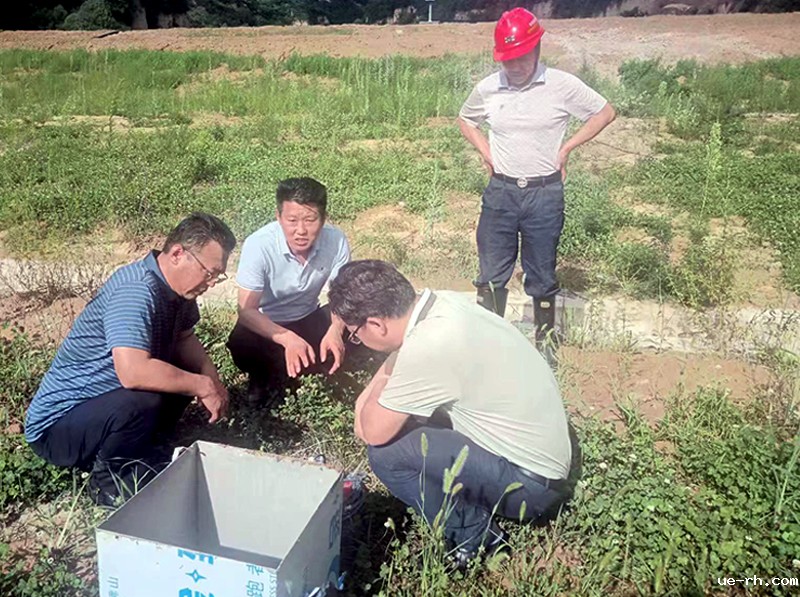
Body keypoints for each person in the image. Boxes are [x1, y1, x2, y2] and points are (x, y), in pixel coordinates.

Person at [328, 260, 574, 567]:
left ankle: (478, 538)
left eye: (355, 334)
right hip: (543, 462)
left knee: (387, 454)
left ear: (376, 325)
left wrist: (379, 384)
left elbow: (371, 431)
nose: (359, 341)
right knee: (408, 417)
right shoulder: (442, 302)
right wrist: (389, 370)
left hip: (529, 490)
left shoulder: (427, 347)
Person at [25, 213, 236, 507]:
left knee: (183, 374)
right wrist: (201, 386)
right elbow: (133, 373)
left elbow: (184, 339)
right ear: (178, 253)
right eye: (208, 272)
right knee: (143, 399)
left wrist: (210, 378)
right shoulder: (136, 290)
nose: (211, 283)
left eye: (218, 275)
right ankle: (109, 482)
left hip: (104, 407)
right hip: (58, 428)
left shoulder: (178, 293)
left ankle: (145, 450)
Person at [457, 7, 616, 354]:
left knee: (542, 275)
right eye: (507, 59)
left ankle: (545, 350)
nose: (514, 66)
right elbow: (465, 120)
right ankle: (490, 349)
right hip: (501, 193)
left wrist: (568, 147)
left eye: (521, 57)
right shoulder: (489, 88)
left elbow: (605, 112)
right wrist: (485, 151)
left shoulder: (561, 85)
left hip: (544, 195)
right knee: (491, 275)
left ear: (537, 49)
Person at [227, 177, 351, 404]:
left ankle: (317, 367)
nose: (301, 231)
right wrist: (288, 339)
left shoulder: (337, 241)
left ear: (323, 218)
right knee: (242, 343)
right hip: (269, 325)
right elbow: (247, 311)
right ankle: (264, 376)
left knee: (356, 321)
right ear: (278, 217)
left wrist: (335, 329)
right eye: (292, 220)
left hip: (308, 316)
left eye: (310, 220)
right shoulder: (258, 245)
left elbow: (342, 295)